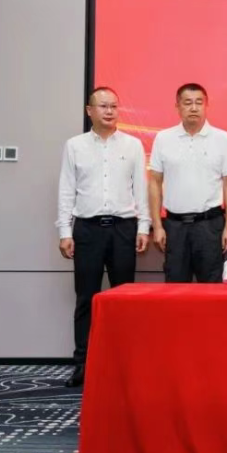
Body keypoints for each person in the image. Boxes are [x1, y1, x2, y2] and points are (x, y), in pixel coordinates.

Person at [56, 87, 150, 387]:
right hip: (87, 230)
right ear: (89, 111)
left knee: (124, 300)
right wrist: (64, 231)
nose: (109, 111)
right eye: (103, 106)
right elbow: (66, 190)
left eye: (114, 106)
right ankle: (82, 364)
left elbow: (141, 190)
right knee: (86, 298)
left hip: (123, 228)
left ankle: (123, 364)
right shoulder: (75, 146)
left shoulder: (133, 145)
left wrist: (144, 227)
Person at [148, 83, 227, 283]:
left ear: (206, 105)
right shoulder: (163, 138)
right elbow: (154, 182)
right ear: (177, 106)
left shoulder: (222, 138)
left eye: (199, 102)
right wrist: (157, 225)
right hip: (174, 226)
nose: (194, 108)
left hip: (210, 226)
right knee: (175, 288)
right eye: (187, 103)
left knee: (212, 288)